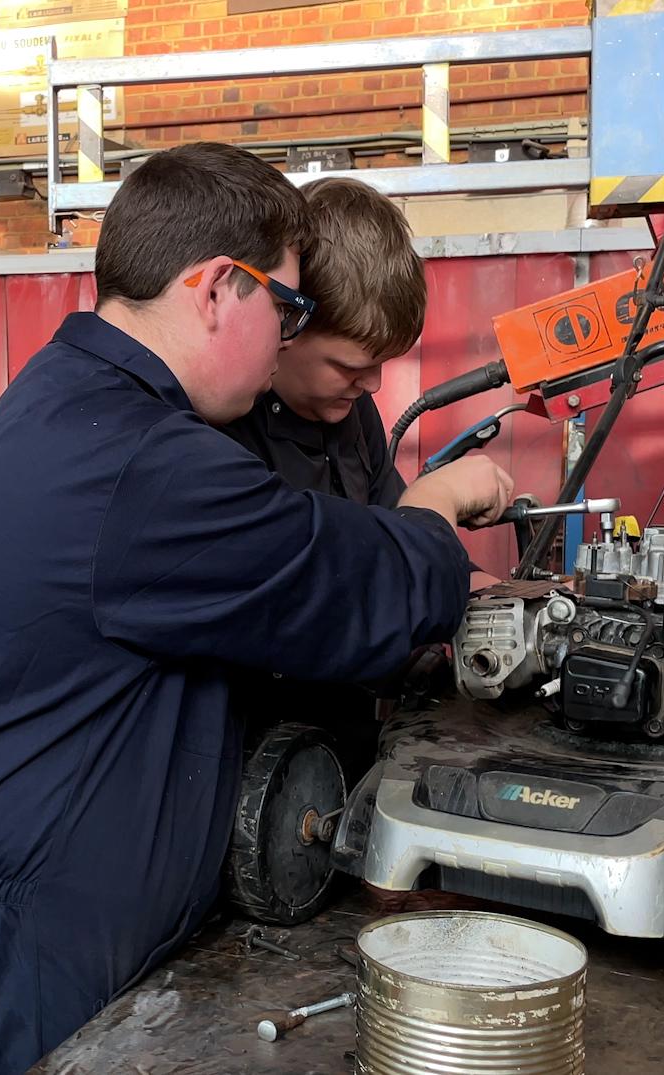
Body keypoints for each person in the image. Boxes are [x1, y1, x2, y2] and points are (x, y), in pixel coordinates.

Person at [0, 141, 515, 1075]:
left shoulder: (68, 404)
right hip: (12, 970)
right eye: (287, 309)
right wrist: (436, 519)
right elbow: (344, 582)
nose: (289, 340)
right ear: (216, 289)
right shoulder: (146, 466)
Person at [222, 177, 427, 780]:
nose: (374, 387)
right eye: (352, 367)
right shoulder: (226, 435)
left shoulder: (352, 413)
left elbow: (393, 536)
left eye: (383, 366)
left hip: (345, 743)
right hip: (257, 767)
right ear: (287, 325)